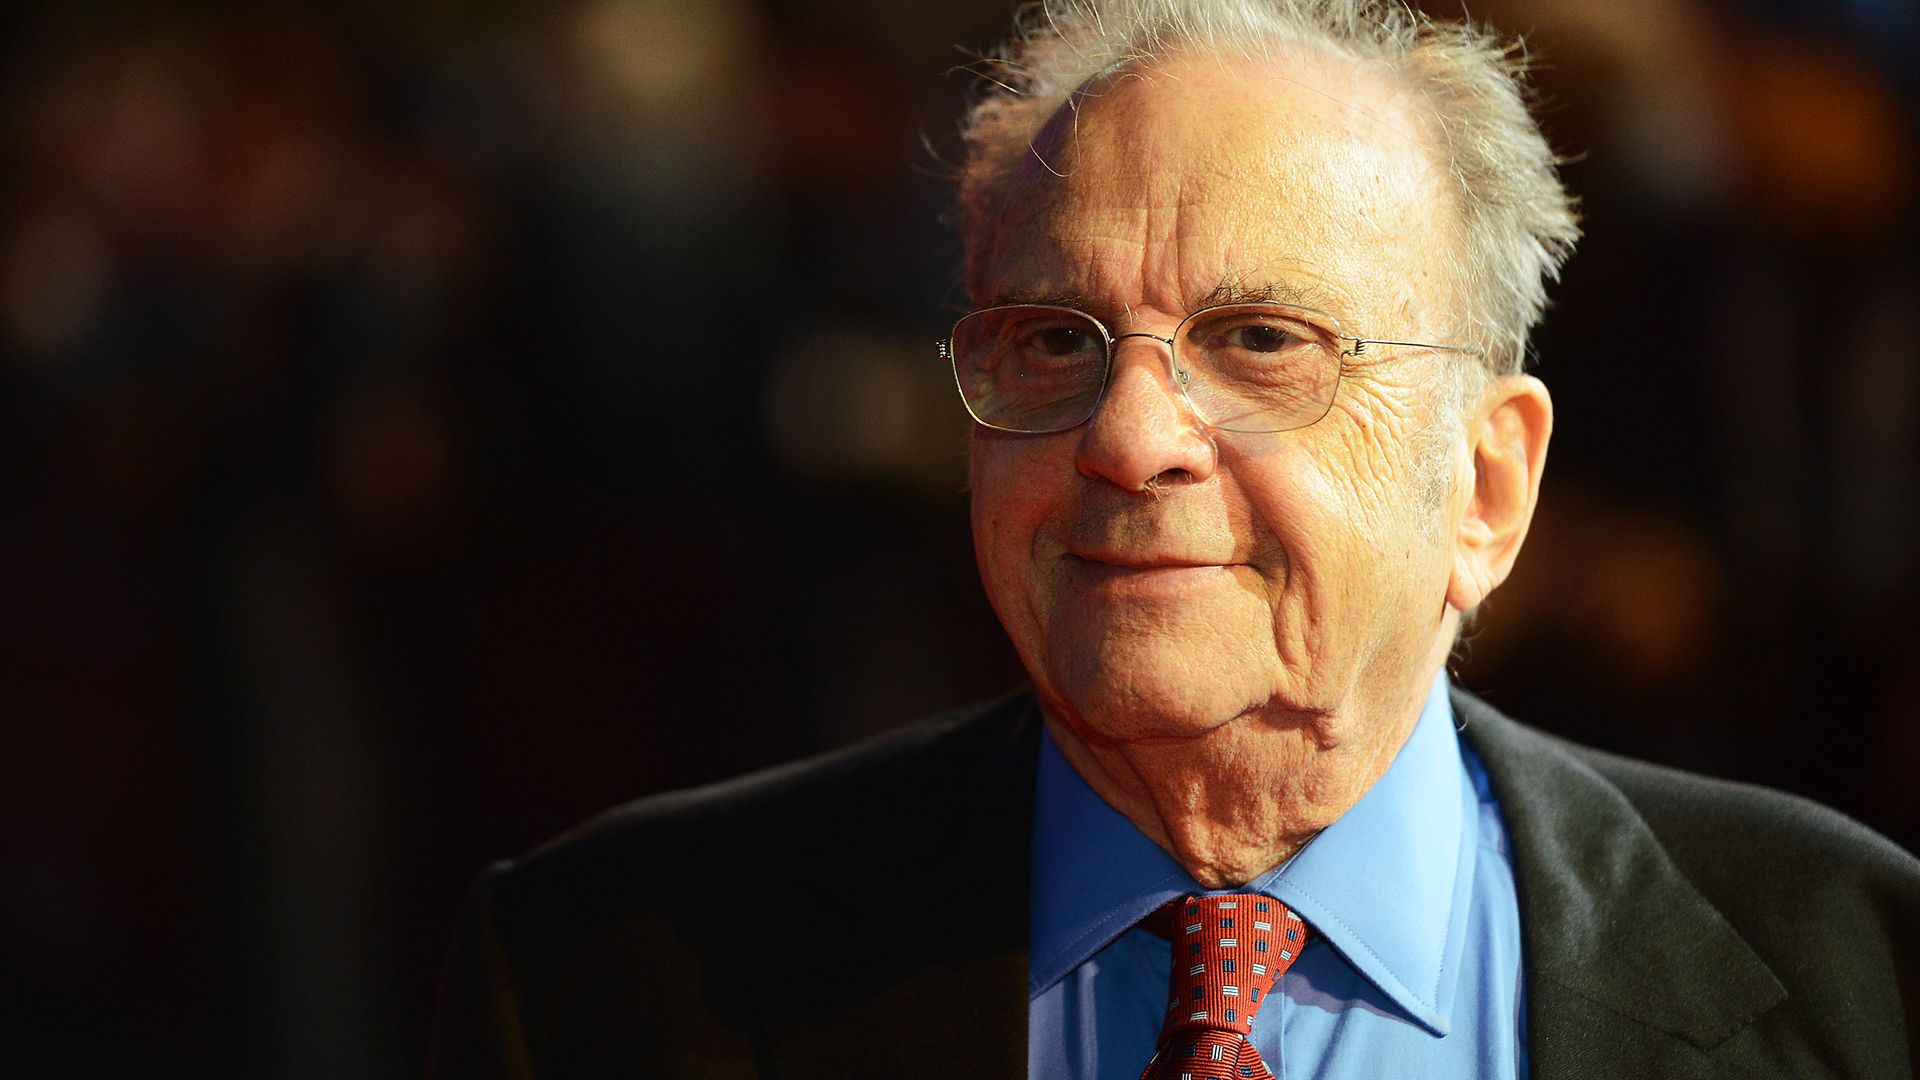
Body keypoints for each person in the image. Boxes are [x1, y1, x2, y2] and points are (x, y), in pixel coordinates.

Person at [429, 1, 1920, 1076]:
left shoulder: (1860, 972)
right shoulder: (594, 984)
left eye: (1260, 339)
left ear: (1485, 489)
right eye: (1055, 340)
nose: (1128, 433)